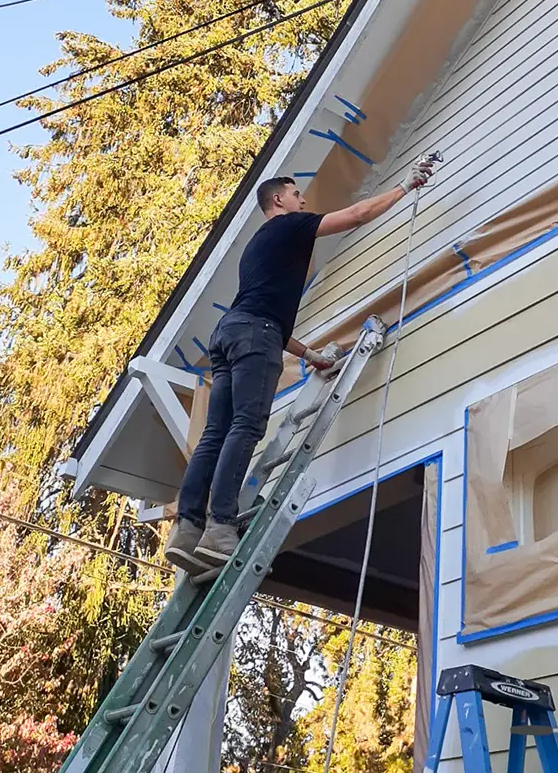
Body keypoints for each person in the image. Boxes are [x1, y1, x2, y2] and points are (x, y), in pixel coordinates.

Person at [164, 156, 435, 572]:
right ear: (277, 200)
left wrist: (311, 356)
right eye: (296, 195)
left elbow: (264, 313)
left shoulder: (258, 246)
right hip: (255, 334)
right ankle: (219, 527)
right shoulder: (288, 226)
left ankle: (187, 528)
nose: (304, 201)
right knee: (247, 426)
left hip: (231, 333)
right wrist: (404, 186)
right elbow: (358, 215)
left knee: (215, 433)